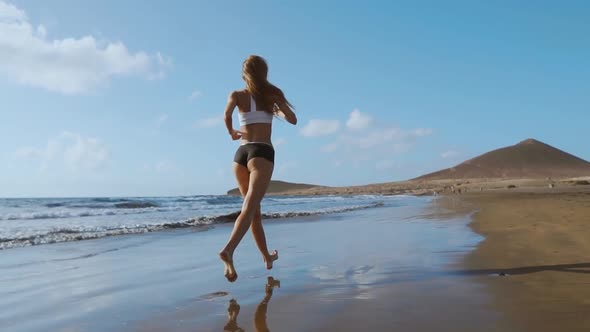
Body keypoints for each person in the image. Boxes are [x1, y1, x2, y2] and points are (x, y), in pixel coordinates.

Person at [219, 55, 297, 282]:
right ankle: (228, 250)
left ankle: (267, 257)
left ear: (245, 74)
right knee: (250, 207)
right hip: (261, 153)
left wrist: (232, 132)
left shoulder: (237, 95)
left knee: (253, 211)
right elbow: (292, 119)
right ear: (265, 72)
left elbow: (226, 115)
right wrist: (278, 109)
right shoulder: (272, 94)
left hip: (240, 155)